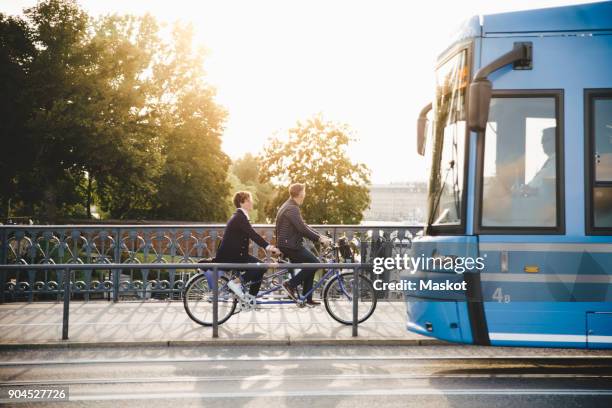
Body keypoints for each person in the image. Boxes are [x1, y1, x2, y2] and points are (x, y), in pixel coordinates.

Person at [214, 191, 280, 299]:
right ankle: (236, 283)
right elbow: (253, 234)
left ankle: (250, 299)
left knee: (260, 268)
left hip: (236, 254)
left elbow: (244, 235)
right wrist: (269, 247)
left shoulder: (240, 216)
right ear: (241, 202)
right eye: (249, 200)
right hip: (233, 256)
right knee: (261, 267)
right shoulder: (240, 217)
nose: (251, 203)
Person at [275, 183, 332, 306]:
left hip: (289, 244)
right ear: (300, 194)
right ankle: (290, 284)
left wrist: (320, 236)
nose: (305, 195)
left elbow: (303, 225)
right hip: (289, 245)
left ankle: (308, 298)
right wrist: (319, 239)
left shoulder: (290, 205)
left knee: (311, 263)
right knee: (315, 263)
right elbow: (302, 228)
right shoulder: (292, 208)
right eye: (304, 192)